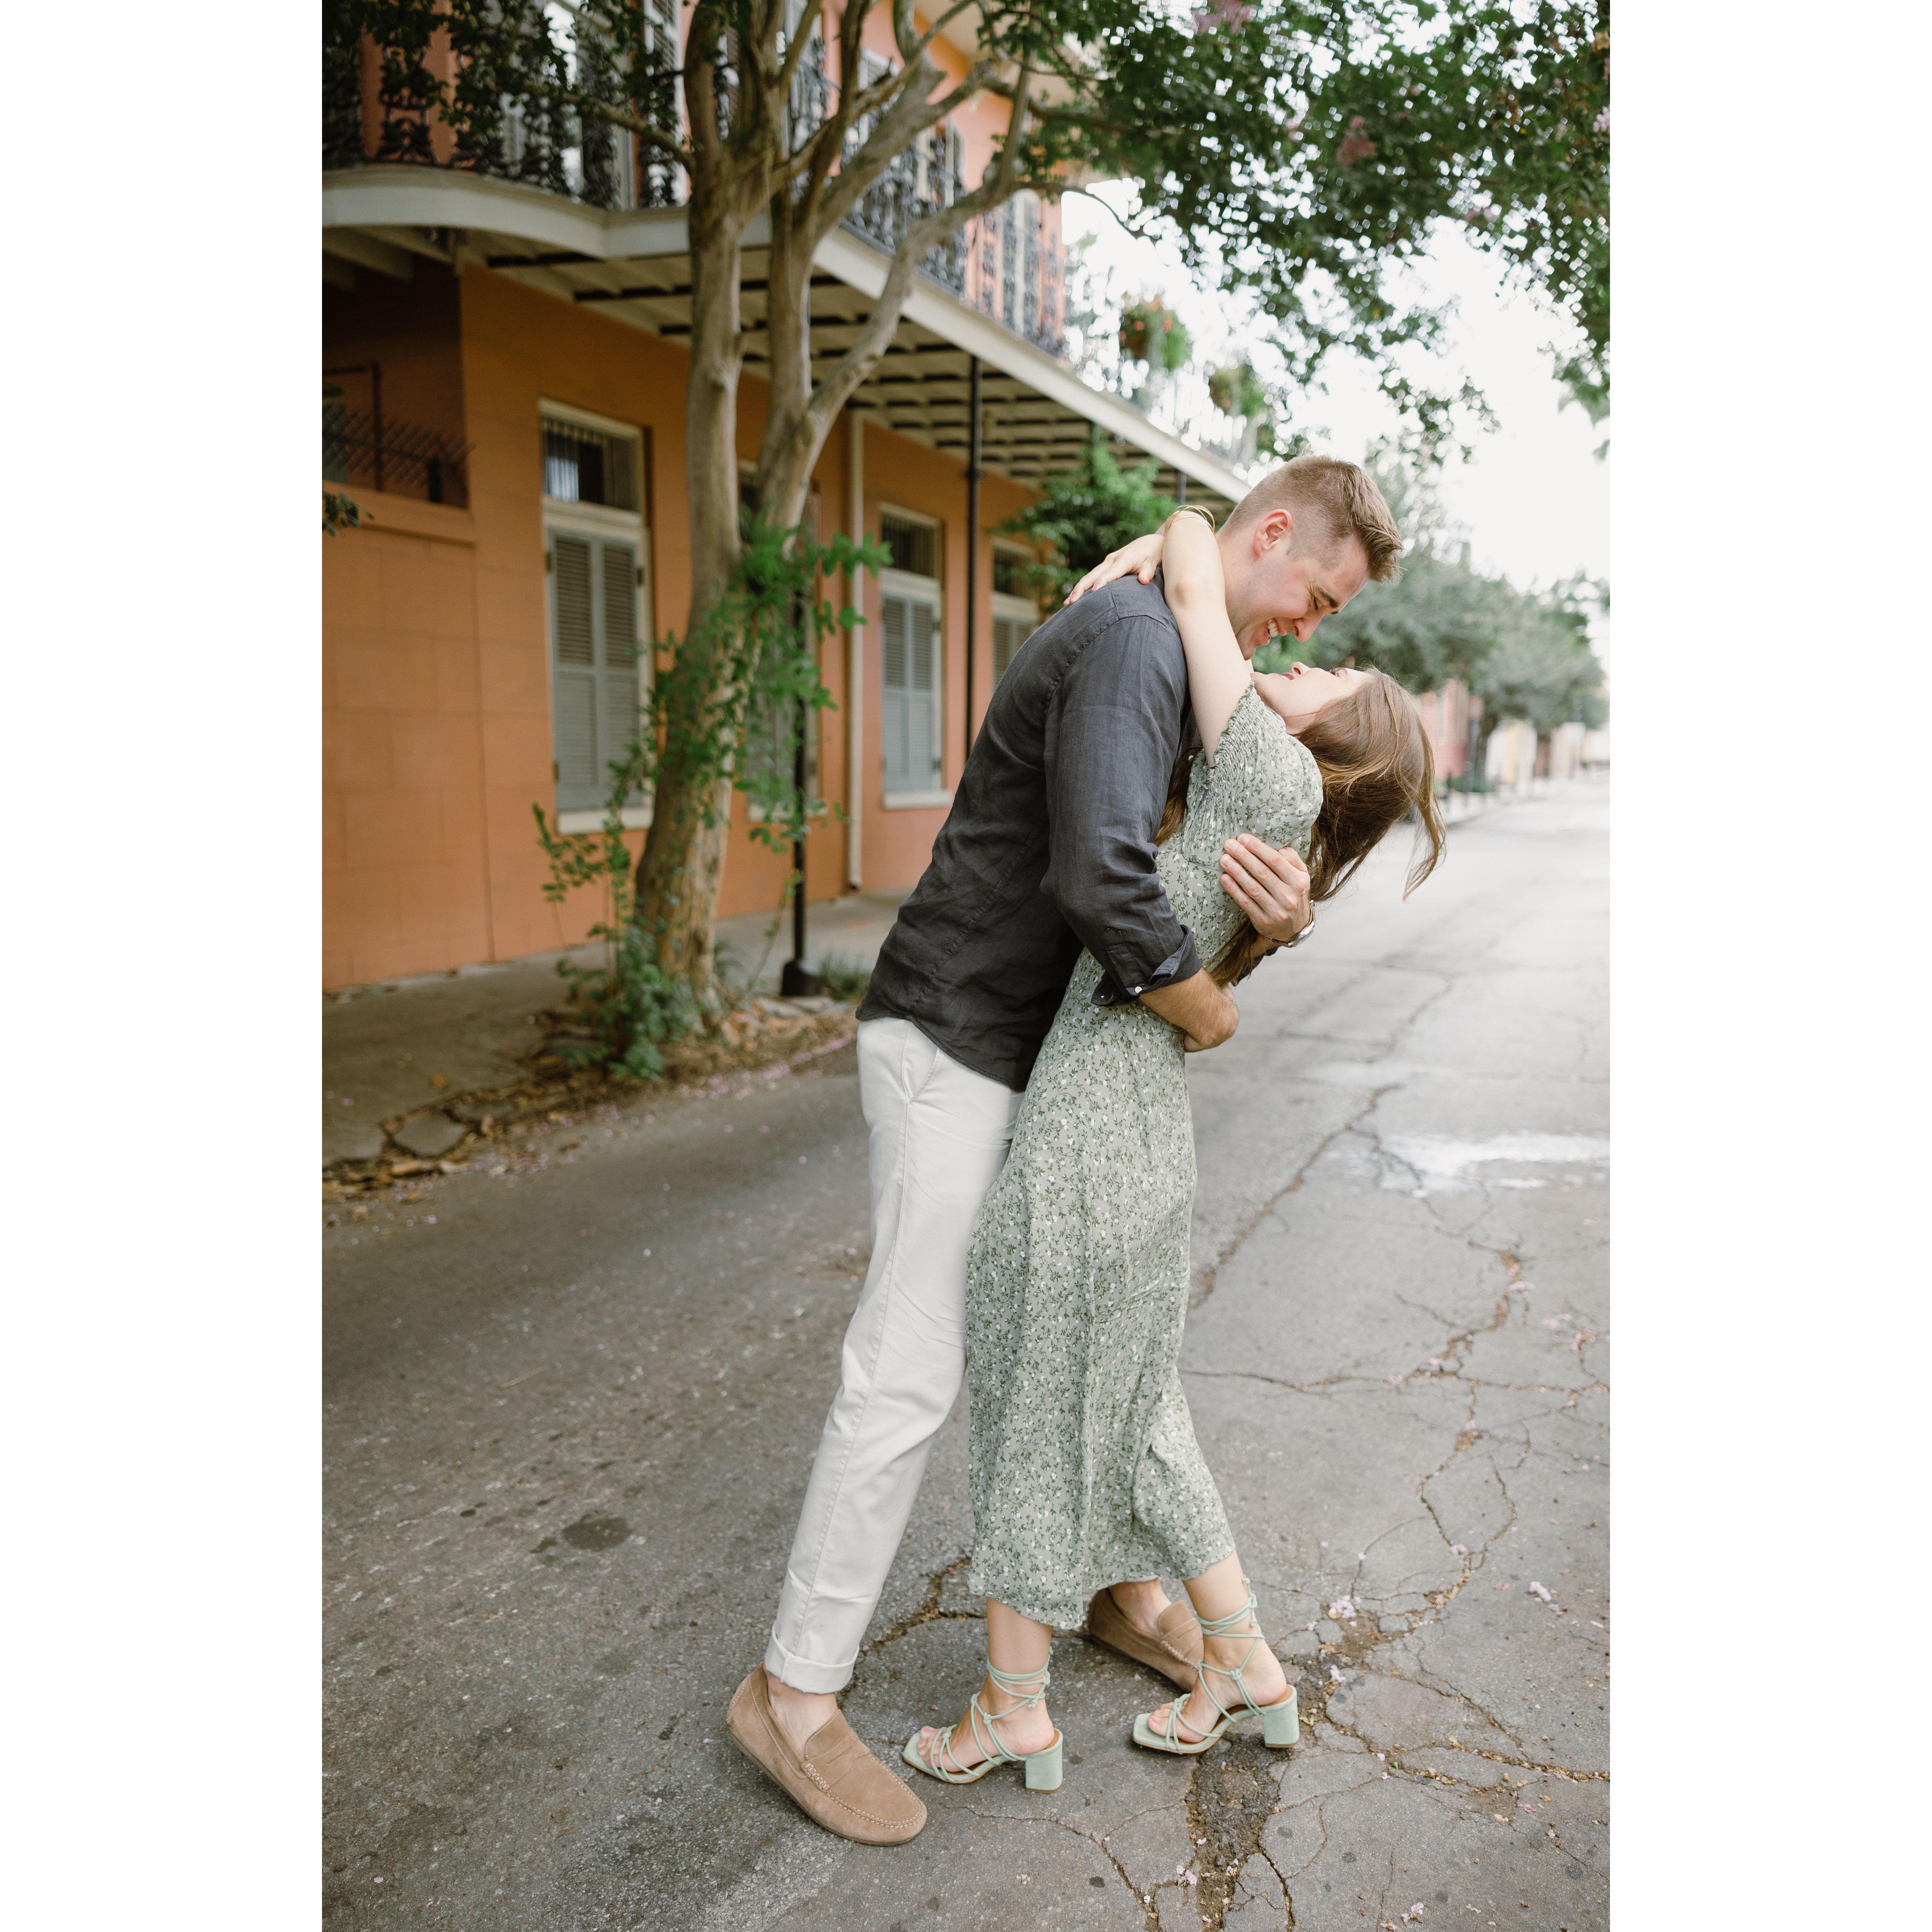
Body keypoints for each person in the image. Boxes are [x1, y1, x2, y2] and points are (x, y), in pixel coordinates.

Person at [726, 456, 1399, 1844]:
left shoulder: (1186, 649)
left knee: (1087, 1329)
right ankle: (791, 1694)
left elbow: (1193, 866)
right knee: (911, 1367)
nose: (1307, 630)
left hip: (1032, 1051)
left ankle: (1108, 1591)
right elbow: (1102, 876)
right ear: (1273, 534)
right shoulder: (1140, 640)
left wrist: (1272, 927)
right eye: (1317, 599)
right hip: (957, 1037)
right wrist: (1210, 1008)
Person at [900, 506, 1445, 1791]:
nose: (1305, 655)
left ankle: (1012, 1707)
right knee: (1141, 1414)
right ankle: (1244, 1665)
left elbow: (1203, 578)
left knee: (1030, 1400)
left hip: (1091, 1116)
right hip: (1144, 1129)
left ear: (1334, 734)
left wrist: (1175, 531)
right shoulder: (1270, 804)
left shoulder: (1269, 767)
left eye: (1330, 667)